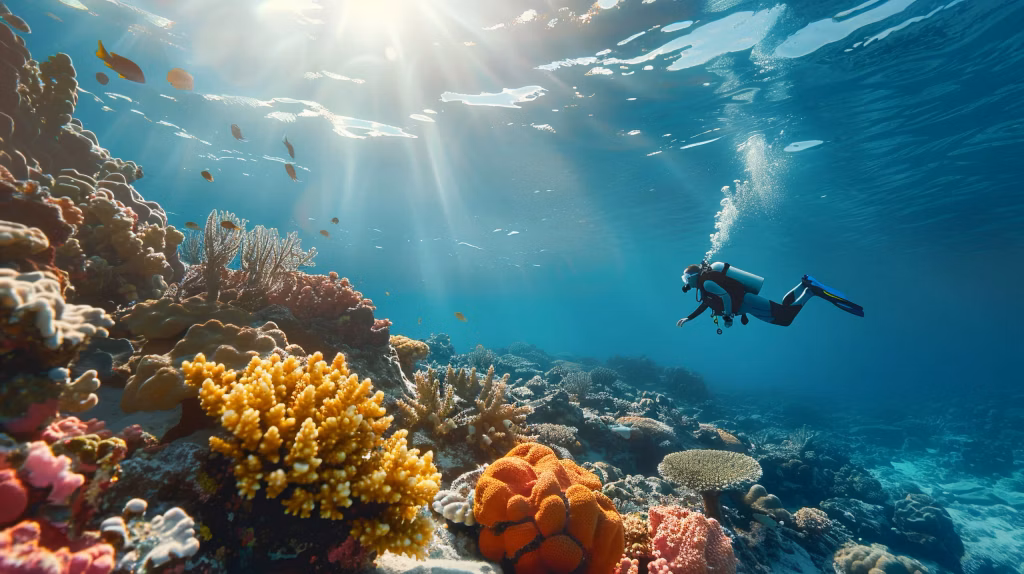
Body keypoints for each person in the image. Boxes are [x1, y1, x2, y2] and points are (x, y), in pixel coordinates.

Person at [676, 262, 863, 329]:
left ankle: (810, 291)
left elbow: (725, 297)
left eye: (686, 278)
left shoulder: (707, 282)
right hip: (747, 305)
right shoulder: (705, 287)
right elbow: (707, 304)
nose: (685, 282)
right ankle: (804, 284)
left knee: (785, 319)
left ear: (693, 276)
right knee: (782, 310)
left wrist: (728, 316)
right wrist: (689, 317)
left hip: (747, 302)